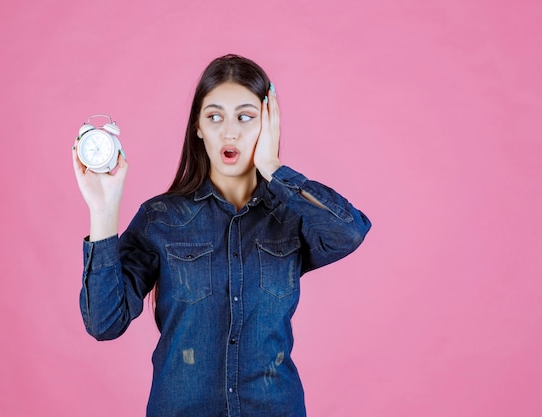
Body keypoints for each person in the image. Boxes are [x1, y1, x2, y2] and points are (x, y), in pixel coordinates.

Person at [72, 54, 371, 417]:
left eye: (246, 117)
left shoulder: (291, 217)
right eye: (215, 117)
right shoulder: (161, 219)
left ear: (268, 123)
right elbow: (104, 323)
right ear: (198, 127)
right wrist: (102, 211)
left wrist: (274, 168)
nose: (230, 132)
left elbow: (349, 232)